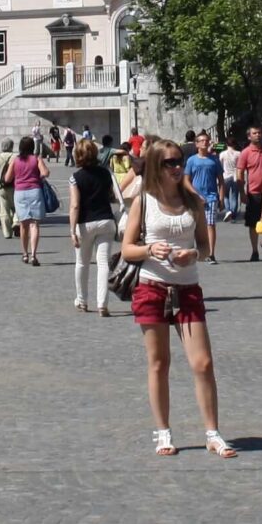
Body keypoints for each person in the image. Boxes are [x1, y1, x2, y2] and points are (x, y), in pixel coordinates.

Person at [119, 137, 234, 457]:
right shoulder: (144, 200)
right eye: (169, 162)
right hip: (151, 286)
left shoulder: (193, 201)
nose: (177, 166)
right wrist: (149, 249)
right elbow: (128, 248)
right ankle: (163, 432)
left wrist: (193, 254)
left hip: (188, 288)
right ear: (156, 166)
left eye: (178, 160)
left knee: (203, 363)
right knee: (159, 363)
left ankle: (213, 433)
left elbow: (205, 246)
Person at [68, 139, 119, 316]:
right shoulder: (106, 173)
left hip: (85, 223)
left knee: (82, 263)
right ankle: (102, 304)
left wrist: (72, 230)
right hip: (106, 220)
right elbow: (112, 196)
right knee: (103, 263)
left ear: (78, 155)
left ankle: (82, 300)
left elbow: (75, 205)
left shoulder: (76, 177)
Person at [7, 136, 50, 265]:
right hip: (34, 191)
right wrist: (38, 174)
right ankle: (34, 255)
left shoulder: (15, 160)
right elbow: (45, 173)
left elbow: (7, 178)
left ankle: (24, 254)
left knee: (23, 224)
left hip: (20, 192)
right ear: (32, 147)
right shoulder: (36, 159)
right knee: (34, 224)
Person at [183, 132, 224, 262]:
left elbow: (221, 181)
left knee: (210, 224)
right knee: (191, 224)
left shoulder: (214, 160)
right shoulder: (191, 160)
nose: (205, 143)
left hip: (211, 197)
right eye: (202, 141)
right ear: (197, 144)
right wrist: (195, 194)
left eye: (207, 140)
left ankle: (211, 253)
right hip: (194, 198)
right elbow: (186, 180)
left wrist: (221, 198)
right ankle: (193, 250)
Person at [237, 126, 262, 254]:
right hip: (254, 192)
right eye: (255, 133)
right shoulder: (245, 153)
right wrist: (241, 192)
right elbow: (240, 172)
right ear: (249, 136)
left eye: (259, 132)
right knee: (253, 223)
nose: (258, 135)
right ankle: (254, 251)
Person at [218, 137, 242, 222]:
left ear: (226, 144)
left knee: (226, 195)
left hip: (226, 176)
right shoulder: (238, 154)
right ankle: (233, 213)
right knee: (235, 196)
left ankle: (228, 211)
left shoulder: (222, 154)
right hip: (236, 176)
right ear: (235, 144)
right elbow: (240, 166)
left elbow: (220, 165)